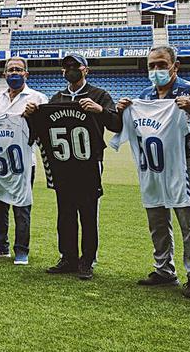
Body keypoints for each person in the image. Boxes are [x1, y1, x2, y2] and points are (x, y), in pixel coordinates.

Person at [116, 45, 190, 298]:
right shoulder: (145, 95)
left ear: (174, 66)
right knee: (156, 219)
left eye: (161, 64)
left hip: (184, 161)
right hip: (153, 164)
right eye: (151, 65)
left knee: (189, 219)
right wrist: (123, 109)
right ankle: (163, 269)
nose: (156, 70)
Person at [25, 53, 121, 280]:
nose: (70, 69)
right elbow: (40, 130)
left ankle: (87, 260)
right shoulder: (57, 97)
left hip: (89, 163)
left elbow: (116, 123)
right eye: (66, 66)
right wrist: (30, 115)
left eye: (75, 66)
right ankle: (67, 257)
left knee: (88, 213)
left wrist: (100, 110)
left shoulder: (99, 94)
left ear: (85, 69)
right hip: (63, 165)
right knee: (65, 213)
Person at [0, 57, 47, 265]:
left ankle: (22, 249)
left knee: (21, 205)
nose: (14, 73)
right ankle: (0, 246)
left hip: (23, 162)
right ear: (4, 74)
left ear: (26, 74)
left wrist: (33, 117)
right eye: (10, 70)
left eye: (18, 69)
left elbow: (44, 131)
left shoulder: (37, 98)